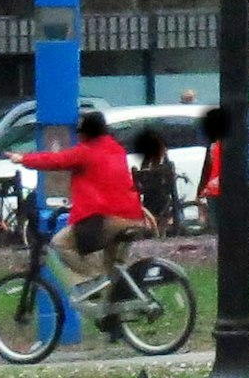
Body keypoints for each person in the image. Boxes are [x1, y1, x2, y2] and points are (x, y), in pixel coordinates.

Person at [18, 103, 156, 283]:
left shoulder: (87, 151)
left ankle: (94, 280)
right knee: (113, 271)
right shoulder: (116, 150)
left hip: (106, 219)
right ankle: (112, 303)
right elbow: (113, 184)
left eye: (80, 131)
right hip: (131, 217)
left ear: (87, 133)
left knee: (60, 244)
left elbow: (56, 160)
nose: (78, 135)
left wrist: (23, 158)